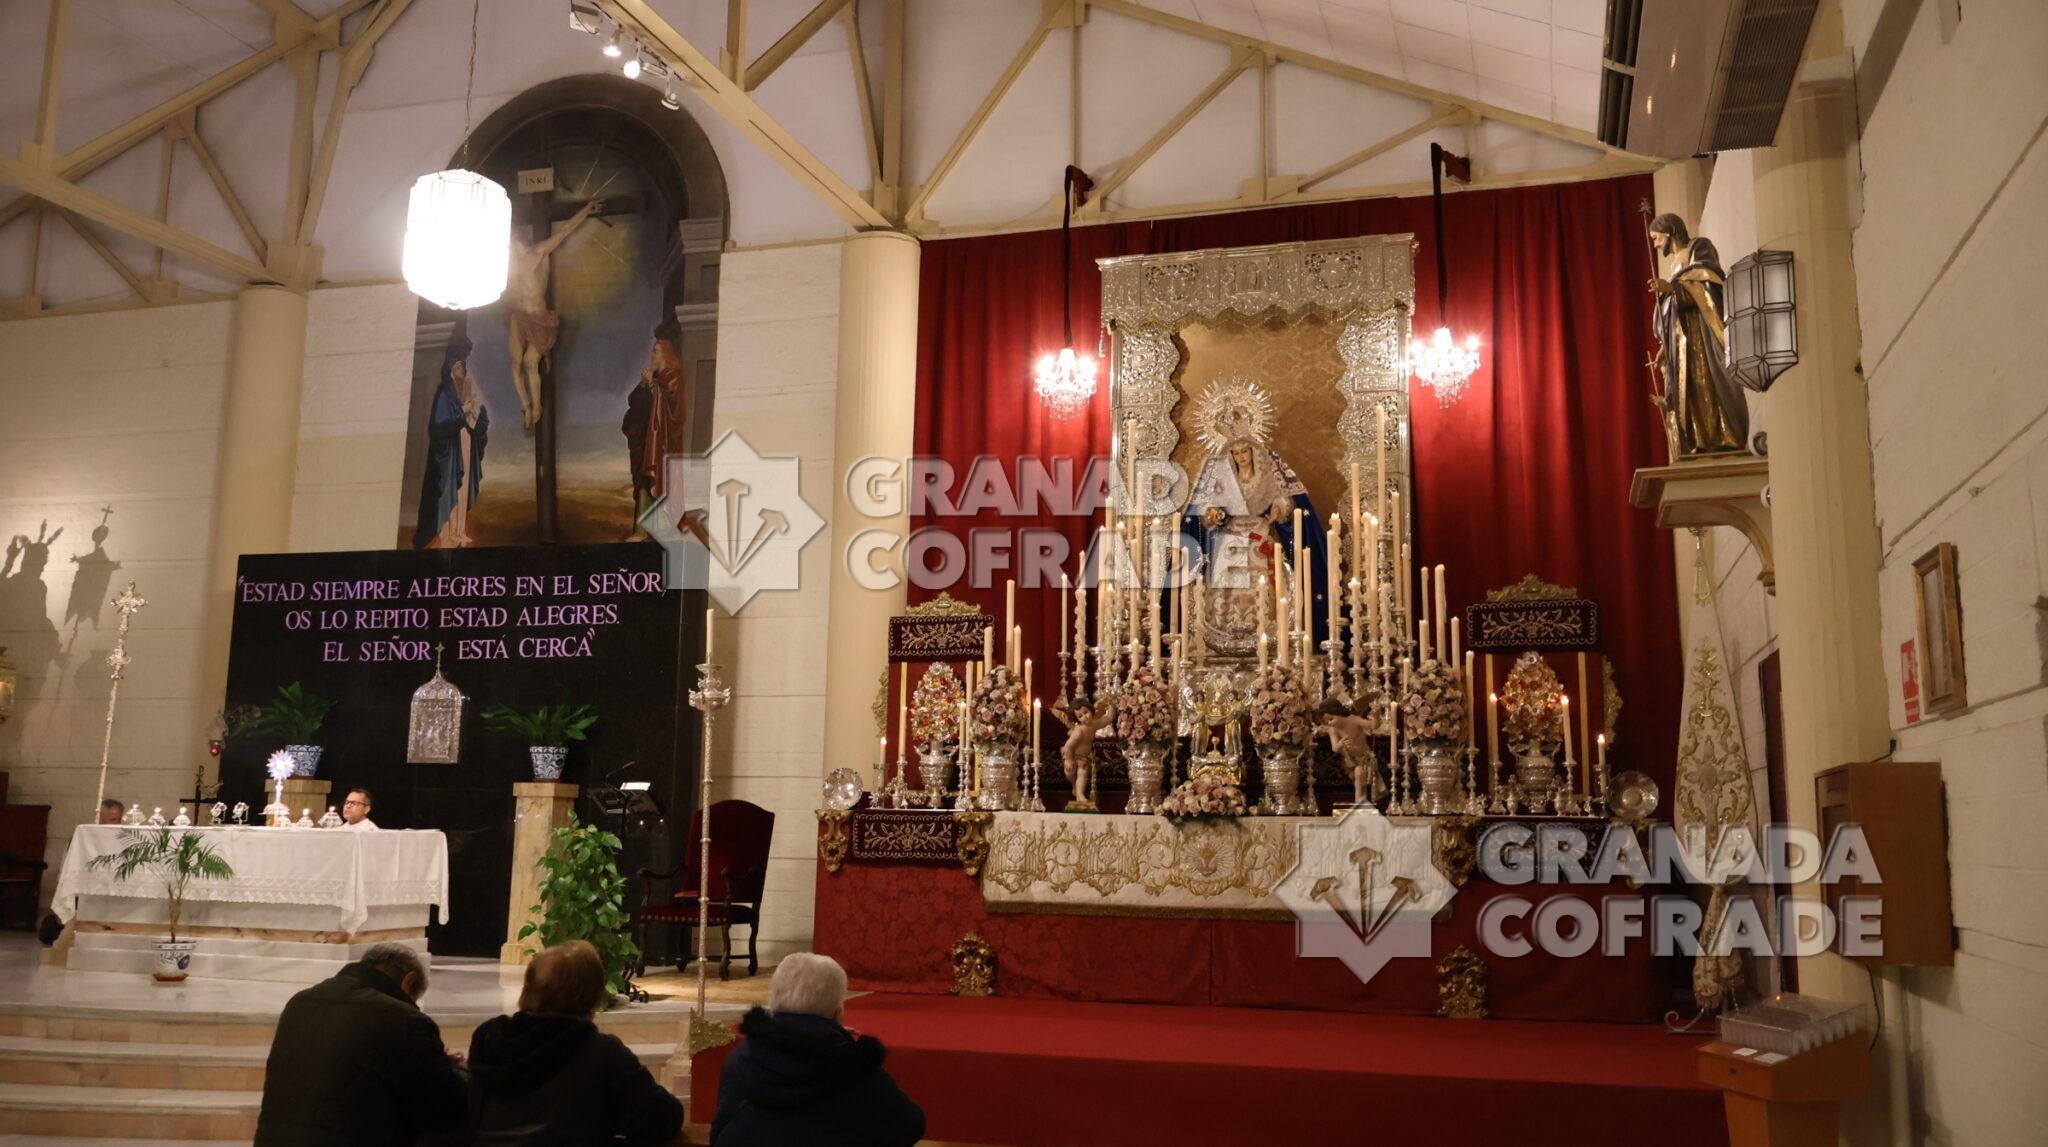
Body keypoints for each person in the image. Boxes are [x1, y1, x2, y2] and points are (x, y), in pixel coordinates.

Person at [468, 940, 683, 1146]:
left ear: (528, 989)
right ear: (590, 997)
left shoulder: (489, 1039)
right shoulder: (602, 1053)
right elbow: (663, 1119)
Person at [253, 942, 469, 1147]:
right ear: (408, 982)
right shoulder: (407, 1019)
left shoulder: (300, 1002)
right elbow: (447, 1102)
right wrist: (455, 1069)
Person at [713, 953, 924, 1147]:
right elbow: (909, 1126)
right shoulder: (854, 1065)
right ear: (838, 1014)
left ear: (774, 1003)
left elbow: (721, 1132)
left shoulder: (740, 1059)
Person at [1647, 212, 1749, 457]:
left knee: (1710, 382)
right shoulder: (1674, 263)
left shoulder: (1699, 247)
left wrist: (1673, 288)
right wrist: (1664, 349)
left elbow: (1709, 279)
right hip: (1683, 340)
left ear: (1669, 232)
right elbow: (1673, 311)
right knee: (1690, 386)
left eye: (1656, 238)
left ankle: (1725, 435)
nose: (1655, 244)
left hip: (1703, 333)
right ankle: (1700, 439)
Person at [413, 323, 489, 549]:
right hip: (448, 458)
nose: (462, 370)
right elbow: (438, 425)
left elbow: (470, 421)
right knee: (449, 492)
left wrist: (476, 416)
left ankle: (458, 531)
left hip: (461, 449)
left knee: (461, 490)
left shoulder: (460, 392)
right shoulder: (445, 394)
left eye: (463, 367)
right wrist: (462, 413)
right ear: (450, 369)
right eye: (458, 367)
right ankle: (445, 534)